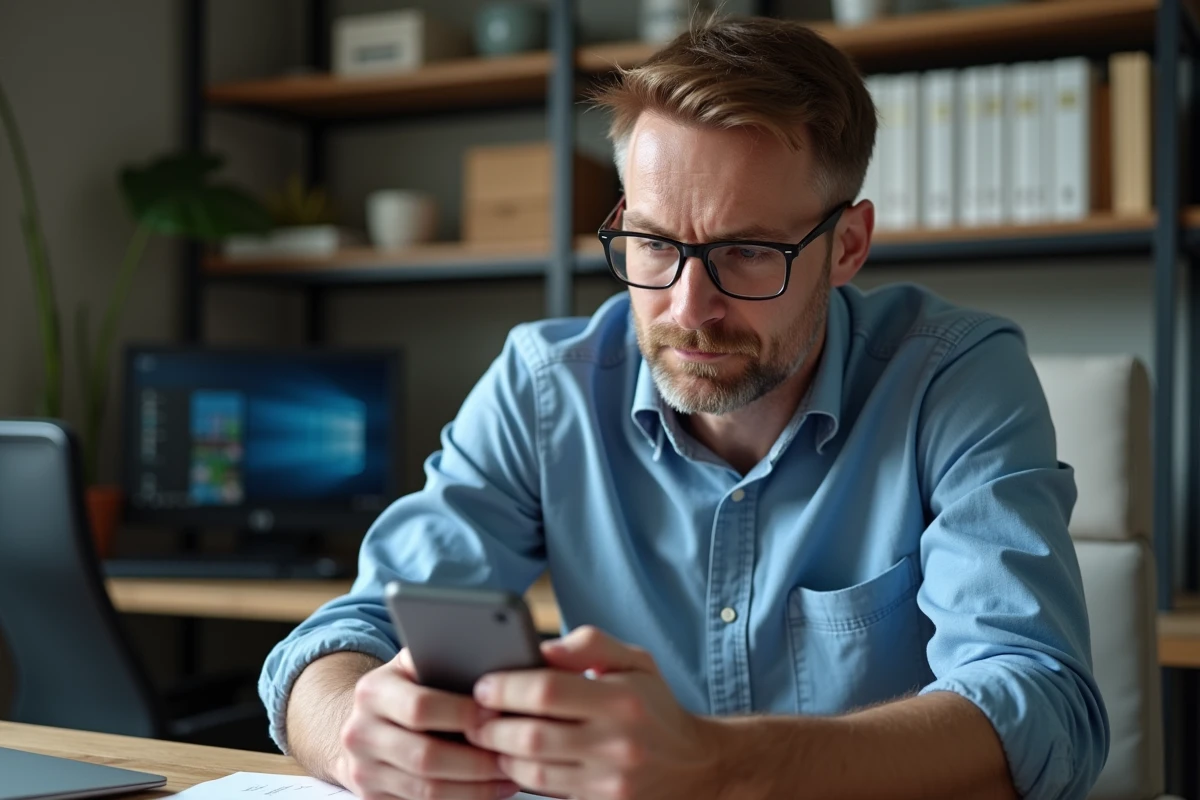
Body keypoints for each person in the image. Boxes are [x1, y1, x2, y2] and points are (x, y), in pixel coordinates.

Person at [260, 16, 1108, 800]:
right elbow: (349, 632)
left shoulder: (954, 379)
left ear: (846, 245)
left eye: (746, 253)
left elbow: (1042, 706)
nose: (688, 309)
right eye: (656, 245)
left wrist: (721, 764)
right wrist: (349, 734)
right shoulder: (545, 385)